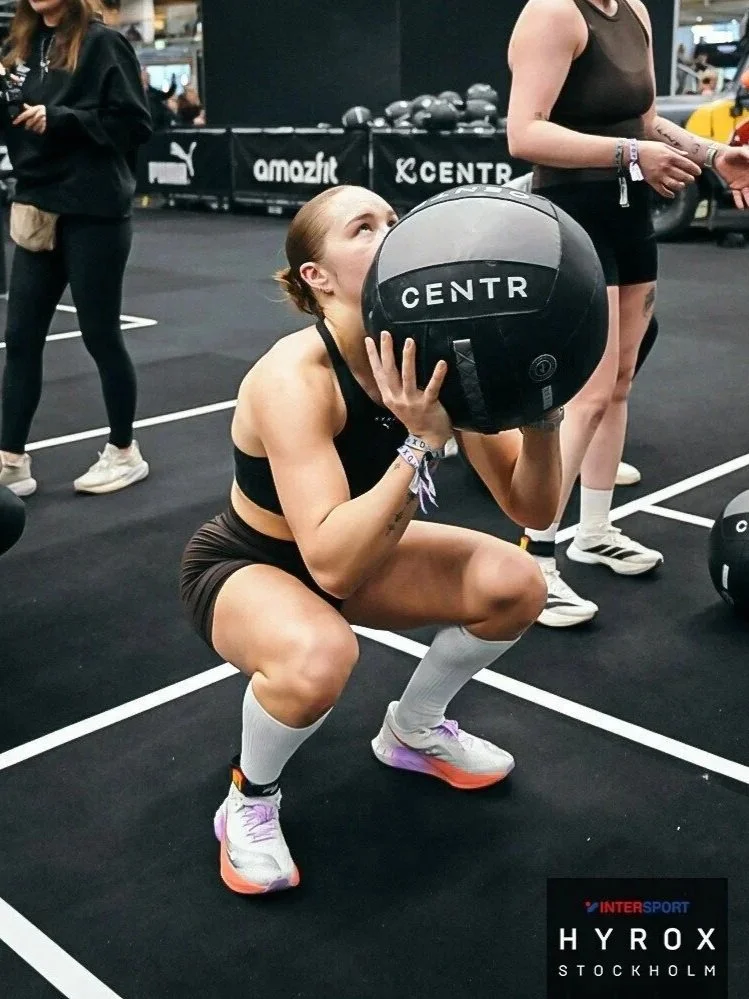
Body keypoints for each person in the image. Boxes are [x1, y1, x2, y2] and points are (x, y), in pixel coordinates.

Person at [180, 184, 566, 895]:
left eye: (394, 218)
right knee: (320, 654)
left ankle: (413, 729)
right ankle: (249, 798)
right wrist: (421, 440)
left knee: (517, 584)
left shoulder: (439, 353)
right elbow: (328, 564)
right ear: (316, 277)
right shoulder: (294, 377)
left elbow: (533, 509)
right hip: (250, 562)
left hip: (358, 549)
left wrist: (542, 415)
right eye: (364, 227)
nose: (392, 231)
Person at [507, 0, 749, 628]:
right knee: (585, 394)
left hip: (628, 214)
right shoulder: (554, 14)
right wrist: (629, 155)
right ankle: (533, 562)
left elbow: (644, 120)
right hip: (573, 215)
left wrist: (712, 154)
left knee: (618, 385)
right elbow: (524, 134)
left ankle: (593, 529)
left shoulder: (635, 10)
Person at [0, 0, 152, 498]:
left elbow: (134, 123)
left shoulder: (103, 42)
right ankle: (11, 461)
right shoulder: (19, 47)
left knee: (100, 335)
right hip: (37, 207)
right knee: (20, 339)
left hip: (94, 212)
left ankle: (125, 452)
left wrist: (62, 119)